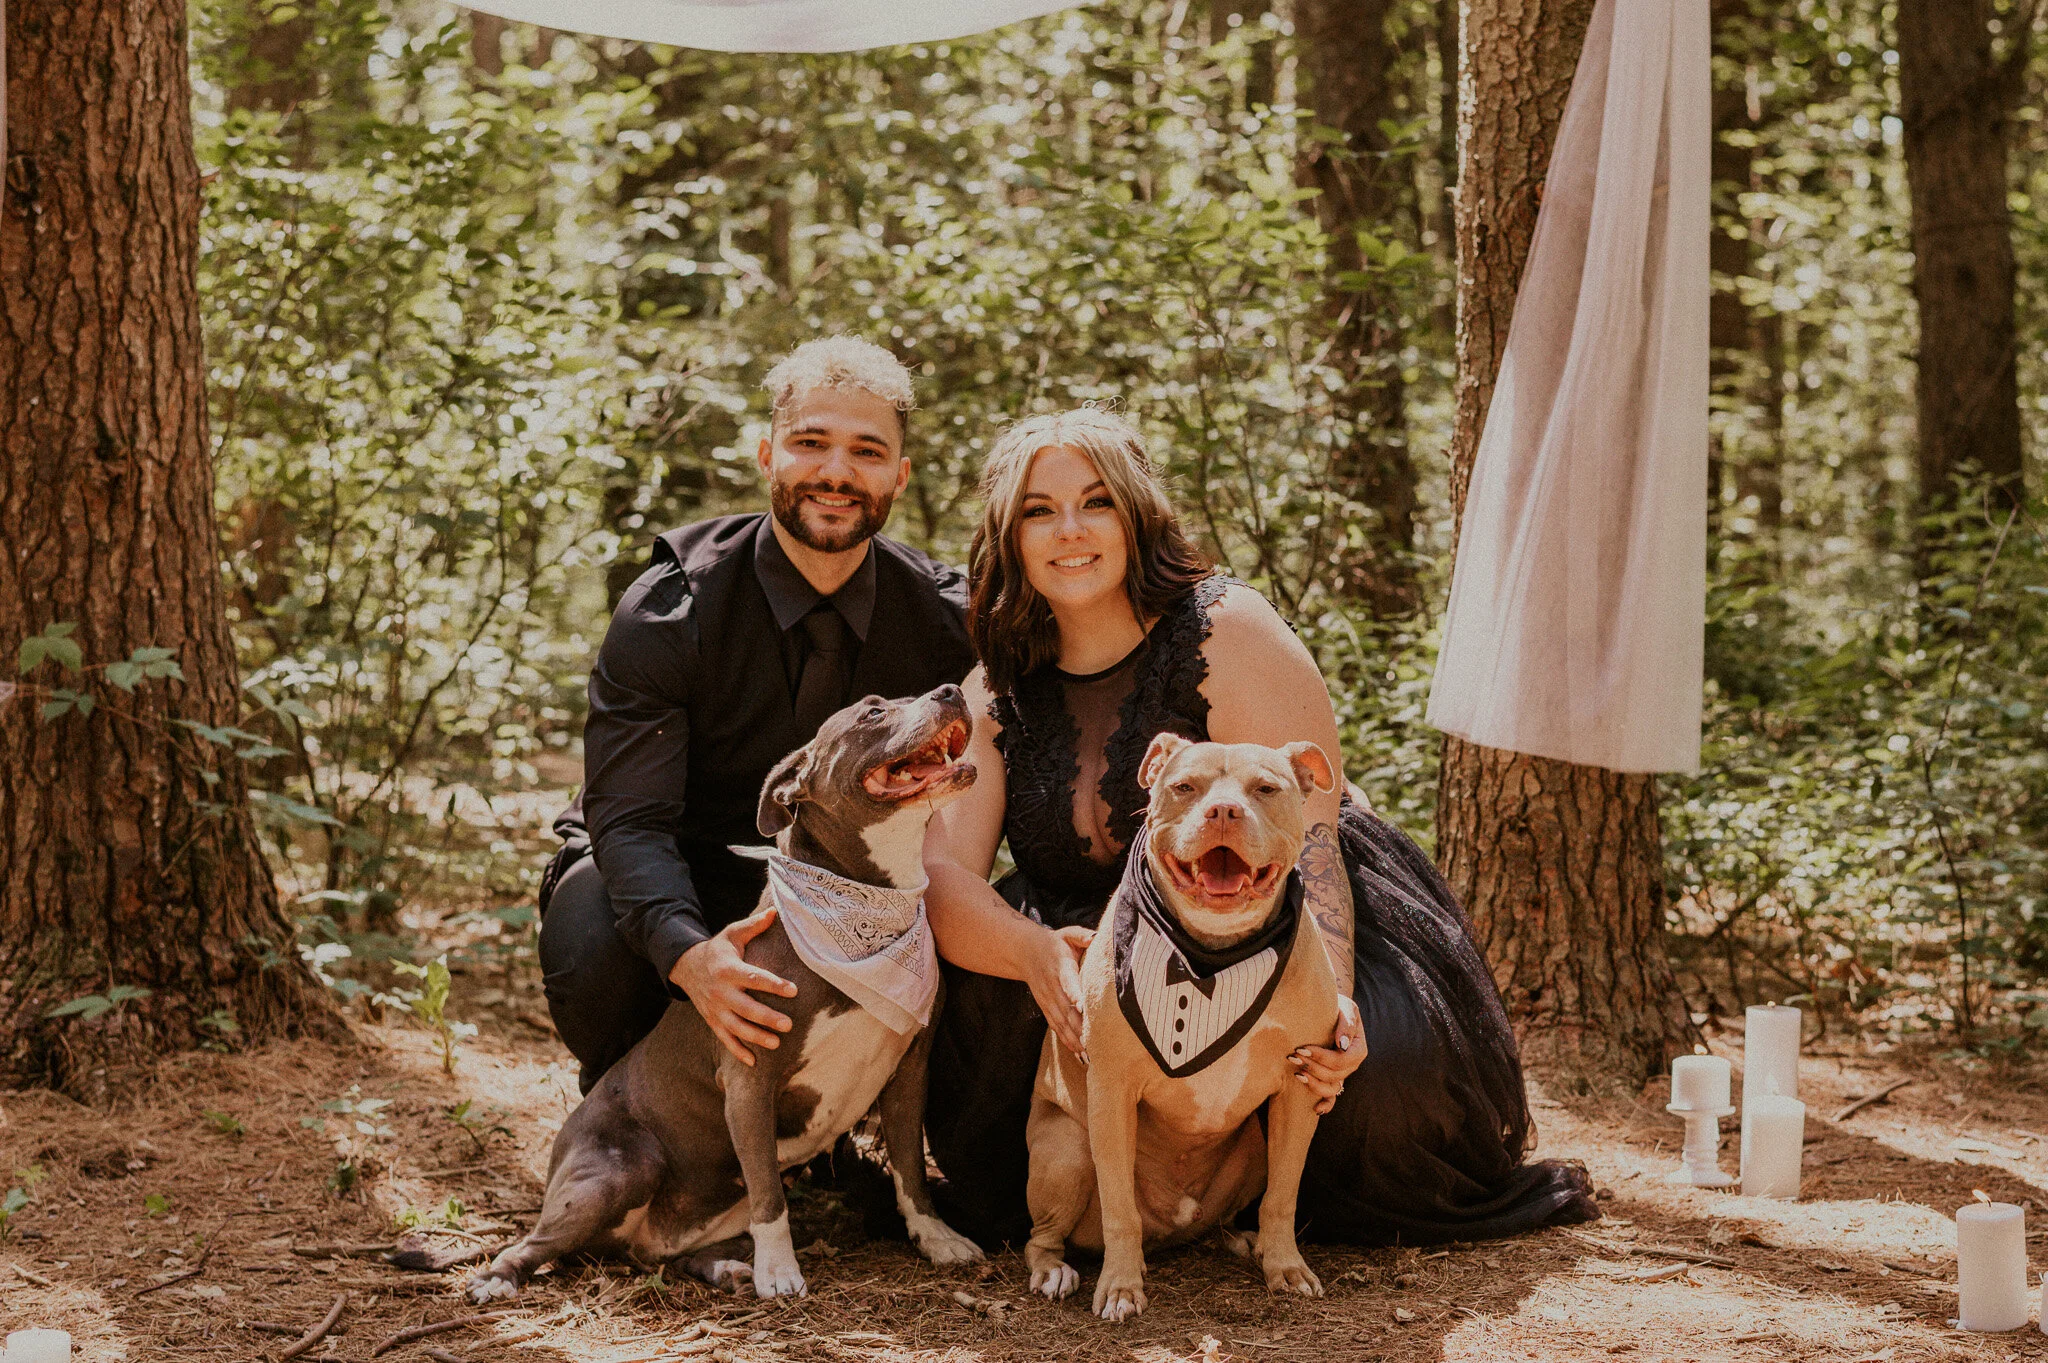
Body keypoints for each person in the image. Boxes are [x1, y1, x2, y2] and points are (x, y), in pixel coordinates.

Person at [921, 407, 1598, 1246]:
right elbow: (944, 879)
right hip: (1103, 935)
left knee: (1367, 1084)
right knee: (1003, 1044)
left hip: (1285, 914)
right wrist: (1031, 954)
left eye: (1096, 502)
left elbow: (1316, 839)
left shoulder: (1224, 628)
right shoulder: (996, 687)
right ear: (1008, 532)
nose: (1069, 529)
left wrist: (1335, 1000)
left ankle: (1249, 1202)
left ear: (1136, 516)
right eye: (1037, 509)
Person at [539, 337, 975, 1093]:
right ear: (768, 455)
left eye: (866, 452)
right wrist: (686, 953)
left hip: (856, 892)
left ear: (899, 477)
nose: (836, 472)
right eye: (811, 443)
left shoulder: (945, 618)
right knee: (591, 932)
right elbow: (631, 820)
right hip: (688, 869)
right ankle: (639, 1112)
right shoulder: (672, 608)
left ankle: (834, 1126)